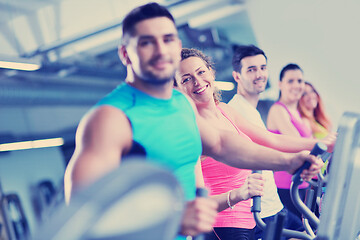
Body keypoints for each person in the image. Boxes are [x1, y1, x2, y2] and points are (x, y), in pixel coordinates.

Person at [64, 3, 325, 239]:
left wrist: (288, 162)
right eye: (146, 42)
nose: (160, 50)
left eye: (167, 39)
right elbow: (80, 216)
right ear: (125, 53)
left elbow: (223, 144)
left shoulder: (179, 104)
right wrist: (173, 219)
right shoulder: (110, 119)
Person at [175, 48, 335, 240]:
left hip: (250, 219)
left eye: (201, 72)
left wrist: (321, 143)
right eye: (186, 79)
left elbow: (271, 140)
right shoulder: (191, 130)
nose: (197, 82)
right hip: (223, 228)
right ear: (177, 89)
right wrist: (238, 194)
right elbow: (199, 203)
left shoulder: (224, 110)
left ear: (211, 71)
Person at [228, 45, 307, 239]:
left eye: (262, 68)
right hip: (259, 214)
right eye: (251, 69)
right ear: (237, 76)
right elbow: (269, 145)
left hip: (274, 206)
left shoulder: (252, 111)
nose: (259, 74)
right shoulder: (237, 111)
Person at [266, 63, 313, 222]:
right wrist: (325, 143)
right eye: (290, 81)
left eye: (299, 81)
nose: (296, 85)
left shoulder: (300, 115)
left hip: (303, 186)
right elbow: (296, 143)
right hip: (286, 187)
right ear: (280, 84)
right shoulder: (278, 110)